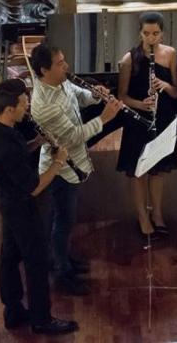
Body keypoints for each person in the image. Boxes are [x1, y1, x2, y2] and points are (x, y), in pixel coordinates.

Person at [0, 79, 78, 335]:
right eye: (24, 104)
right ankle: (41, 319)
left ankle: (13, 310)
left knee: (10, 256)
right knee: (37, 261)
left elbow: (18, 154)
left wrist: (36, 142)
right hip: (21, 206)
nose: (27, 108)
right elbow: (34, 187)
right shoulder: (5, 144)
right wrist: (58, 162)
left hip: (7, 199)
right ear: (10, 108)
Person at [30, 43, 122, 296]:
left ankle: (64, 260)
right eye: (60, 63)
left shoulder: (58, 82)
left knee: (65, 220)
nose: (66, 66)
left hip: (72, 161)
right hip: (61, 170)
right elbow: (73, 137)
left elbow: (77, 95)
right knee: (63, 221)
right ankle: (61, 272)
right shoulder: (44, 104)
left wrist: (94, 95)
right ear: (43, 70)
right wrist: (104, 118)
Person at [117, 12, 177, 240]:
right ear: (140, 33)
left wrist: (164, 85)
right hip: (138, 120)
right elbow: (122, 97)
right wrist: (141, 105)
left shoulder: (171, 54)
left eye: (155, 33)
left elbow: (176, 91)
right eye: (146, 33)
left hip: (162, 117)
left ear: (162, 33)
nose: (151, 38)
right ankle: (143, 216)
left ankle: (158, 214)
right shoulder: (129, 60)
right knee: (139, 171)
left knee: (158, 170)